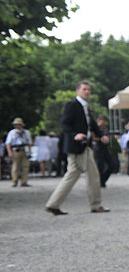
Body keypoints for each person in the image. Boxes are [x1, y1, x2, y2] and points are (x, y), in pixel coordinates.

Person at [44, 81, 110, 215]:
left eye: (89, 90)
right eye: (84, 89)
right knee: (73, 175)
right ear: (78, 91)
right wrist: (75, 134)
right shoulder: (72, 105)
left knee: (92, 175)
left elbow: (91, 124)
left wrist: (101, 135)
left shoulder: (85, 107)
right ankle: (53, 204)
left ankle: (95, 205)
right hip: (76, 147)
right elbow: (64, 123)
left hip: (85, 147)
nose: (87, 92)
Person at [93, 115, 118, 187]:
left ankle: (103, 179)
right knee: (99, 166)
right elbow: (93, 137)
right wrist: (101, 139)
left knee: (112, 164)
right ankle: (99, 181)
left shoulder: (105, 128)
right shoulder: (95, 128)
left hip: (105, 148)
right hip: (98, 147)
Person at [6, 118, 32, 187]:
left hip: (24, 150)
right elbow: (8, 143)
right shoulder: (12, 132)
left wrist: (29, 151)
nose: (17, 126)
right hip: (16, 150)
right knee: (15, 167)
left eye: (18, 124)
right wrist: (10, 152)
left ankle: (24, 182)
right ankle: (14, 181)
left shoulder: (26, 132)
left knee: (25, 166)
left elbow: (29, 143)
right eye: (16, 124)